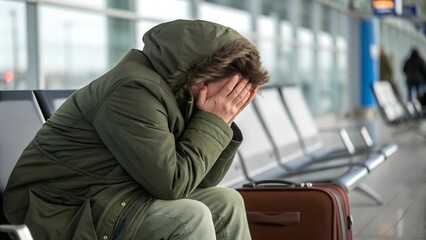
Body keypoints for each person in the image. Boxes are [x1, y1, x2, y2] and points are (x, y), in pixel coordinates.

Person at [3, 19, 269, 239]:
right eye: (229, 90)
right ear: (200, 77)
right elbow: (173, 185)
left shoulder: (180, 94)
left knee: (227, 203)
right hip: (60, 211)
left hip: (111, 195)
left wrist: (220, 122)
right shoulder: (132, 89)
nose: (230, 100)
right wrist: (213, 121)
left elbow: (201, 180)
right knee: (189, 219)